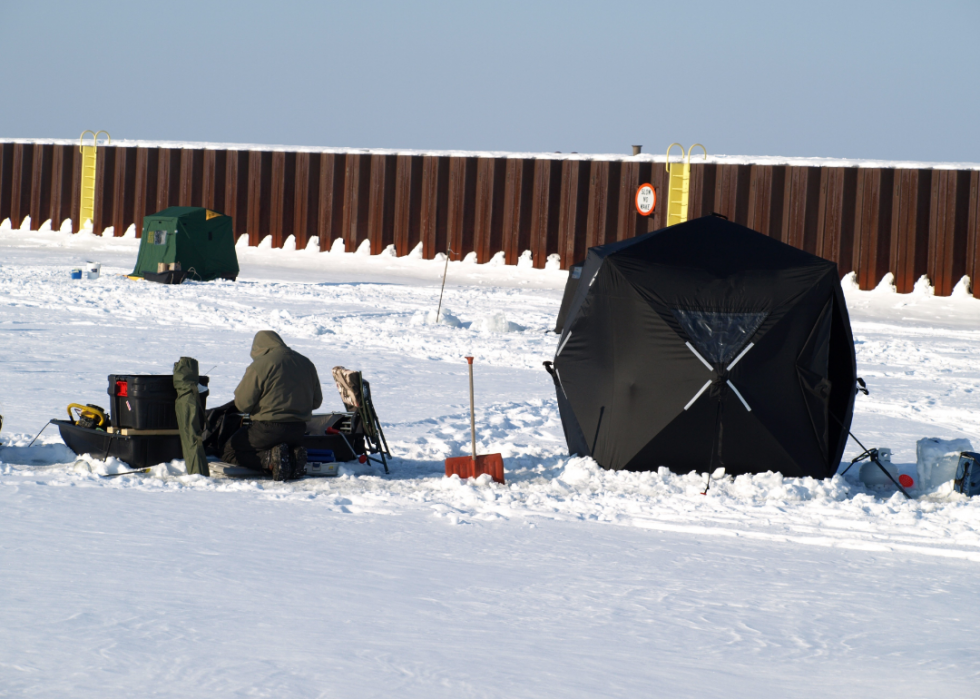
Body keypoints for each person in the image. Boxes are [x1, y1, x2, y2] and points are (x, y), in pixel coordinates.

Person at [222, 330, 322, 480]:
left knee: (229, 451)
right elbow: (316, 402)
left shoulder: (261, 365)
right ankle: (293, 457)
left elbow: (243, 404)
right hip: (298, 430)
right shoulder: (306, 363)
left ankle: (270, 461)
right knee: (282, 448)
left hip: (267, 429)